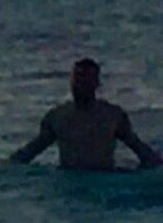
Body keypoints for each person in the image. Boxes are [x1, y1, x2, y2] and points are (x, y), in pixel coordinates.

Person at [12, 57, 160, 170]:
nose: (80, 84)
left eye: (86, 79)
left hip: (105, 180)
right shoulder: (57, 117)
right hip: (70, 180)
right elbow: (30, 151)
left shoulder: (112, 116)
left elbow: (141, 150)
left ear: (96, 83)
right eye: (77, 78)